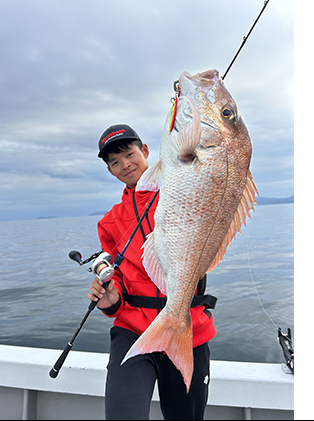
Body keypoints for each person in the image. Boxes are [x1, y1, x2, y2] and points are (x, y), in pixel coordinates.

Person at [88, 124, 217, 420]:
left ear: (146, 151)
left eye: (129, 154)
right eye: (114, 162)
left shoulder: (181, 191)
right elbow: (117, 280)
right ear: (110, 171)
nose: (125, 165)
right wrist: (111, 300)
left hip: (187, 328)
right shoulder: (110, 222)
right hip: (133, 332)